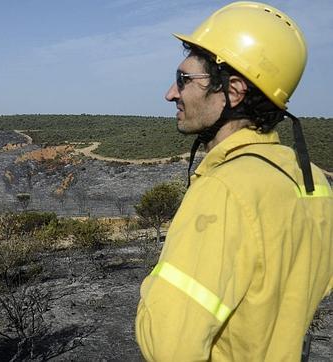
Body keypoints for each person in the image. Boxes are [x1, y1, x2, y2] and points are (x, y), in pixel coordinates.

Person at [135, 2, 332, 360]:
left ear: (234, 90)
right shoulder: (312, 180)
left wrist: (154, 288)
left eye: (184, 79)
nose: (171, 93)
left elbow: (170, 348)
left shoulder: (223, 189)